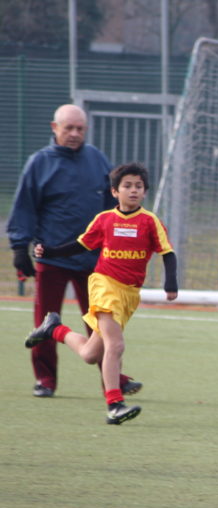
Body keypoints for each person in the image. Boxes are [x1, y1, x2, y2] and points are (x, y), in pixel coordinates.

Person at [23, 163, 177, 425]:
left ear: (145, 192)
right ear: (115, 192)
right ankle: (115, 404)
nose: (133, 190)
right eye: (127, 186)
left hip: (129, 294)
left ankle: (54, 329)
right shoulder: (105, 219)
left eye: (138, 186)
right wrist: (50, 252)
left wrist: (170, 283)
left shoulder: (150, 222)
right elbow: (81, 244)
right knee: (116, 346)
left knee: (90, 354)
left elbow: (167, 253)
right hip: (104, 286)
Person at [7, 103, 139, 398]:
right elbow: (25, 206)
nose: (75, 134)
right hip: (52, 255)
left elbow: (113, 205)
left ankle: (114, 380)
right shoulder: (39, 163)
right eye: (69, 128)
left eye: (80, 129)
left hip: (93, 258)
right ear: (55, 129)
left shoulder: (97, 160)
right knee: (45, 319)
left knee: (103, 321)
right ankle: (45, 379)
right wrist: (19, 247)